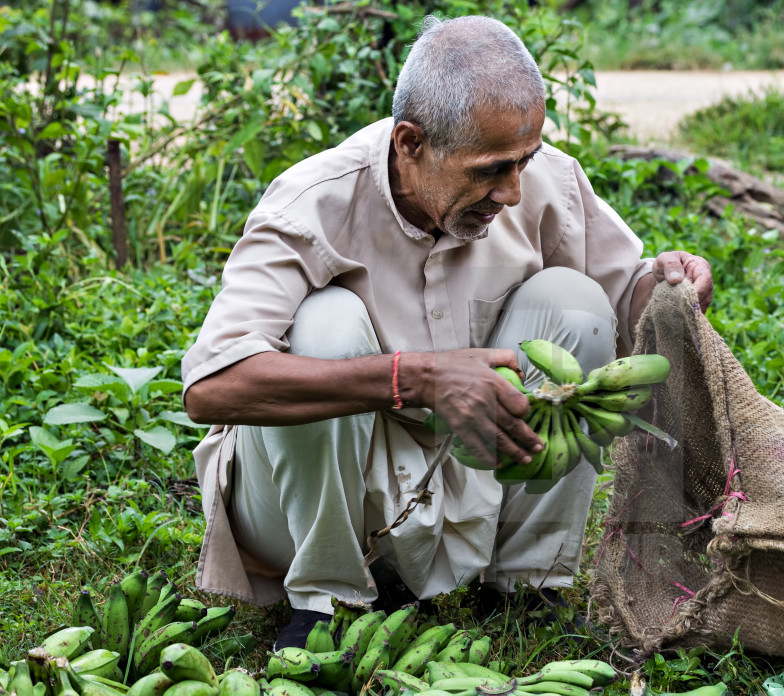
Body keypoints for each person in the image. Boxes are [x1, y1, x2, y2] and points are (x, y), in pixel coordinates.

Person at [181, 14, 713, 648]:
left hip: (469, 481)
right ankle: (322, 602)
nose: (513, 192)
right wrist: (416, 378)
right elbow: (212, 386)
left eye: (525, 161)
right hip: (313, 505)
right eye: (489, 170)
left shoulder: (542, 181)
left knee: (575, 302)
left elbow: (628, 302)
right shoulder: (310, 204)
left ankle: (527, 583)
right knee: (325, 323)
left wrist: (671, 285)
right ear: (410, 143)